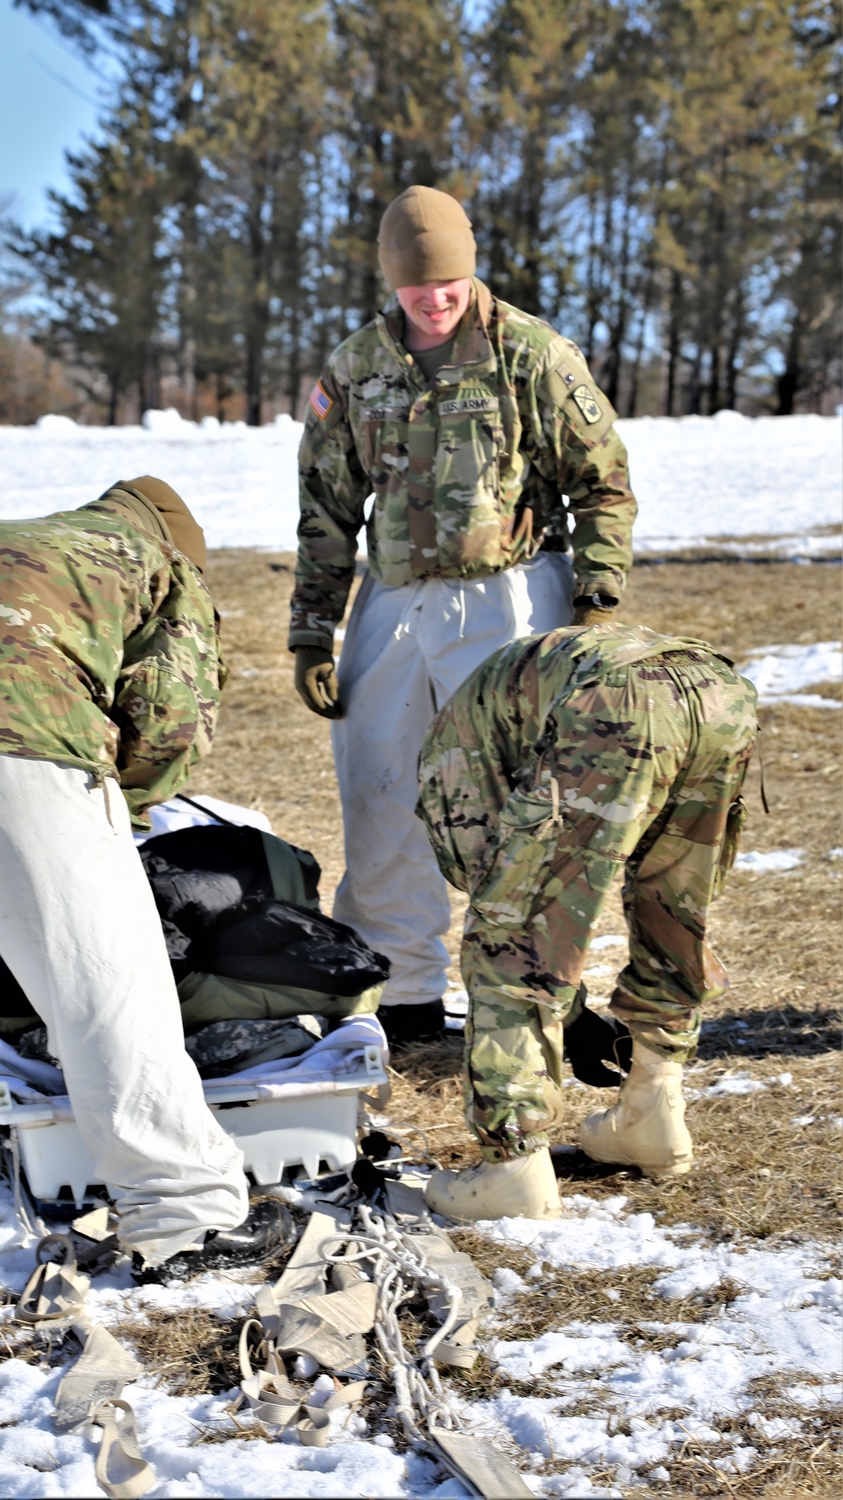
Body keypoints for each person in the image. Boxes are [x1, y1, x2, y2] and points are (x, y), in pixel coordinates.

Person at [0, 476, 288, 1270]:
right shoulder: (159, 562)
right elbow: (171, 709)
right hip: (26, 743)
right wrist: (132, 806)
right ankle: (185, 1213)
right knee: (107, 986)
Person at [288, 184, 637, 1047]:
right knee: (383, 791)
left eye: (448, 285)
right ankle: (401, 993)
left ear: (470, 273)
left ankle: (527, 992)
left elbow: (603, 483)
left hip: (511, 593)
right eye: (417, 290)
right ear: (390, 283)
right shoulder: (356, 367)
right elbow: (325, 507)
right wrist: (310, 630)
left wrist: (595, 600)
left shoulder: (531, 353)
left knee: (521, 798)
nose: (434, 302)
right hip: (397, 602)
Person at [416, 623, 758, 1221]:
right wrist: (570, 1014)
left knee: (507, 932)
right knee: (673, 912)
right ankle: (649, 1114)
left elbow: (499, 895)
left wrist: (561, 1009)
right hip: (718, 691)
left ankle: (511, 1169)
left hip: (620, 700)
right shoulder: (499, 704)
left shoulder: (451, 752)